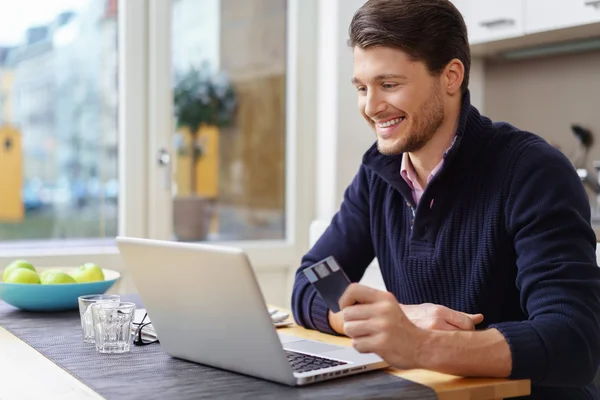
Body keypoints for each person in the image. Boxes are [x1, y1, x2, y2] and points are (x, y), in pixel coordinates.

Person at [290, 0, 600, 398]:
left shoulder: (532, 171)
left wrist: (419, 345)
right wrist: (393, 321)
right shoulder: (377, 175)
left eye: (389, 84)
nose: (370, 107)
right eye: (362, 88)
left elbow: (573, 341)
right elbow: (312, 277)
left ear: (451, 76)